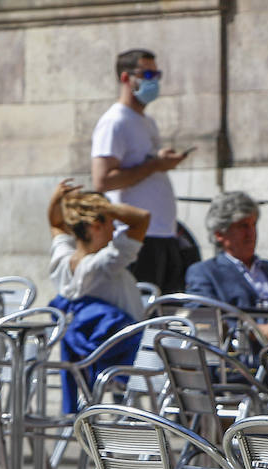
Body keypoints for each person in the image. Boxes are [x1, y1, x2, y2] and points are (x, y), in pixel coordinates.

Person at [45, 179, 150, 412]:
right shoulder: (104, 265)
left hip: (91, 358)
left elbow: (56, 225)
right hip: (129, 359)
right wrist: (101, 207)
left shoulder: (62, 264)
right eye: (111, 222)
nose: (115, 229)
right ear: (95, 225)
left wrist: (56, 199)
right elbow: (141, 219)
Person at [91, 48, 189, 295]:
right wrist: (155, 164)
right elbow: (102, 180)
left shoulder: (146, 121)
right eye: (147, 74)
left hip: (163, 232)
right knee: (142, 313)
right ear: (126, 78)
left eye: (157, 74)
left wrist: (160, 161)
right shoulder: (115, 121)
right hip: (137, 238)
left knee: (164, 311)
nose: (153, 80)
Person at [184, 190, 268, 342]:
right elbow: (204, 324)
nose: (251, 233)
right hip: (245, 359)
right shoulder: (205, 273)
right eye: (243, 226)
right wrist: (256, 331)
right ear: (219, 234)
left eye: (253, 224)